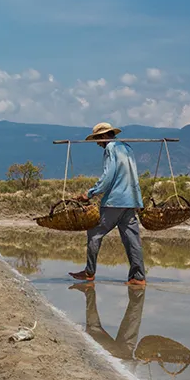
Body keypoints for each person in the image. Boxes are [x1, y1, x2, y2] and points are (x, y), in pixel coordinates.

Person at [70, 122, 146, 286]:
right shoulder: (127, 148)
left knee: (94, 232)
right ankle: (138, 277)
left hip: (115, 201)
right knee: (132, 239)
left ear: (104, 136)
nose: (97, 143)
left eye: (98, 139)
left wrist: (89, 193)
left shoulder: (110, 149)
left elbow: (108, 176)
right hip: (131, 200)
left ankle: (89, 272)